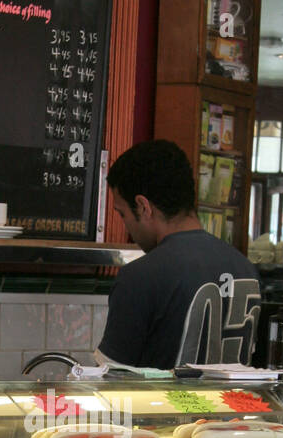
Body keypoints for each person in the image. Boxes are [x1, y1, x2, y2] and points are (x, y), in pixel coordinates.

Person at [95, 140, 261, 369]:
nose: (126, 228)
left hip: (161, 406)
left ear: (143, 207)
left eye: (122, 214)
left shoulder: (140, 276)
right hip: (231, 404)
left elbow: (111, 379)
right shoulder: (245, 268)